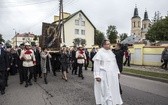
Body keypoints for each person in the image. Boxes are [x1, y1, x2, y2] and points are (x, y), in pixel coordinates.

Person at [92, 39, 123, 105]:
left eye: (109, 44)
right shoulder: (100, 53)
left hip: (112, 75)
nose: (109, 45)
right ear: (104, 45)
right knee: (106, 91)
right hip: (104, 75)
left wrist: (117, 72)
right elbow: (96, 65)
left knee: (112, 90)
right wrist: (97, 75)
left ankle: (112, 102)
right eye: (108, 44)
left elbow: (114, 64)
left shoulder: (111, 52)